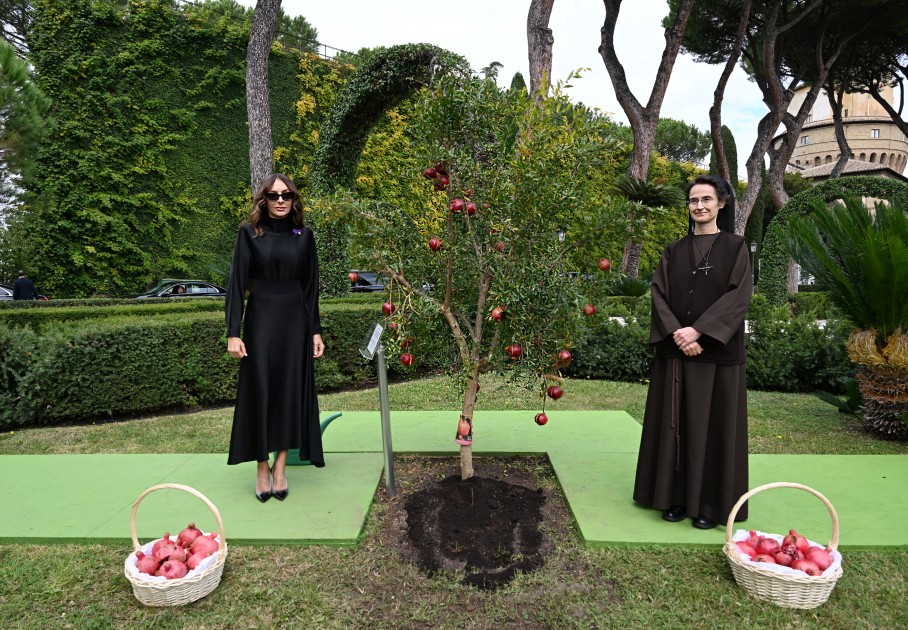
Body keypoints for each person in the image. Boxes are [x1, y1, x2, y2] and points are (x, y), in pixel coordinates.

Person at [632, 174, 752, 530]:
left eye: (706, 199)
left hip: (717, 354)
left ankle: (709, 506)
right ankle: (674, 498)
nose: (699, 206)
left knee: (713, 428)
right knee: (675, 425)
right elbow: (659, 294)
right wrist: (678, 334)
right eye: (693, 200)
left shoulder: (736, 247)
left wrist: (698, 331)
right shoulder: (674, 250)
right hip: (676, 351)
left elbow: (738, 296)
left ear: (721, 204)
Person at [225, 174, 325, 503]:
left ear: (294, 200)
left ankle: (280, 467)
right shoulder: (249, 232)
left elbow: (311, 289)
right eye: (272, 195)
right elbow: (236, 285)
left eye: (286, 195)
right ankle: (261, 466)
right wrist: (233, 333)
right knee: (261, 390)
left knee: (289, 392)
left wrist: (315, 330)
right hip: (261, 321)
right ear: (263, 199)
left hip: (296, 323)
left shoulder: (304, 236)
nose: (280, 200)